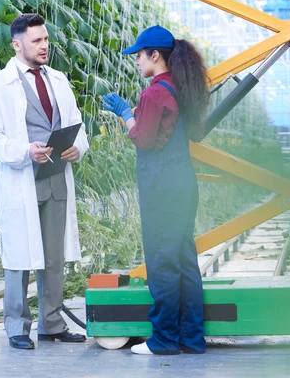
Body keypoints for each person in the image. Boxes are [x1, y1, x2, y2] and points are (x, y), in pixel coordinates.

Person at [0, 13, 90, 350]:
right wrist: (24, 151)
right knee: (19, 257)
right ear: (17, 44)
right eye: (37, 41)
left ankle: (51, 323)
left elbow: (77, 124)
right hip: (22, 178)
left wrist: (76, 148)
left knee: (53, 256)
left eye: (46, 40)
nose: (44, 46)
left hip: (55, 178)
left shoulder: (58, 79)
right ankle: (16, 327)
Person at [102, 25, 210, 355]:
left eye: (139, 55)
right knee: (184, 261)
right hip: (183, 184)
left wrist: (124, 115)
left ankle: (163, 339)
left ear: (155, 55)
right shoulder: (180, 87)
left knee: (162, 263)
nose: (136, 61)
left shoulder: (154, 93)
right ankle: (192, 338)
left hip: (162, 188)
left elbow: (145, 140)